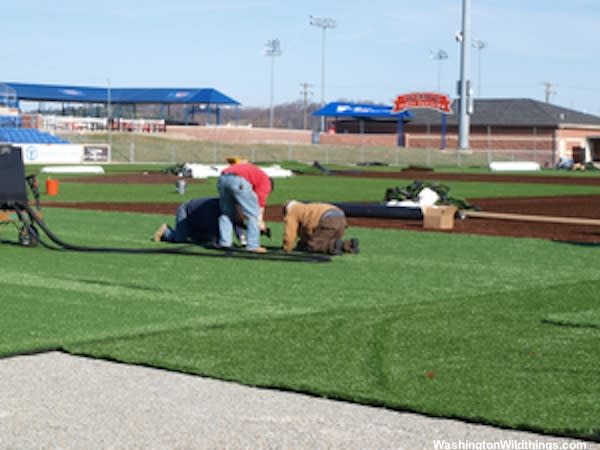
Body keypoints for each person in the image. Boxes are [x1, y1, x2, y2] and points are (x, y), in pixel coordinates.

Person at [217, 162, 272, 253]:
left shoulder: (256, 173)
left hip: (222, 179)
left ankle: (225, 242)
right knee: (253, 215)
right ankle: (253, 245)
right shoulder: (266, 182)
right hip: (238, 180)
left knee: (226, 213)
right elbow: (259, 205)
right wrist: (261, 222)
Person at [153, 197, 246, 246]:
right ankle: (166, 231)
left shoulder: (230, 208)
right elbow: (211, 225)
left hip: (199, 218)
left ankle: (189, 232)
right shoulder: (213, 207)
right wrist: (216, 241)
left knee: (203, 240)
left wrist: (242, 239)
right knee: (180, 240)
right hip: (186, 211)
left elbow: (236, 221)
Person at [282, 200, 359, 255]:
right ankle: (349, 244)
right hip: (341, 218)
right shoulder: (305, 208)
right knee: (328, 240)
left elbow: (290, 233)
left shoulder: (292, 211)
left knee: (314, 245)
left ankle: (333, 245)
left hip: (328, 219)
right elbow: (309, 231)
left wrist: (287, 248)